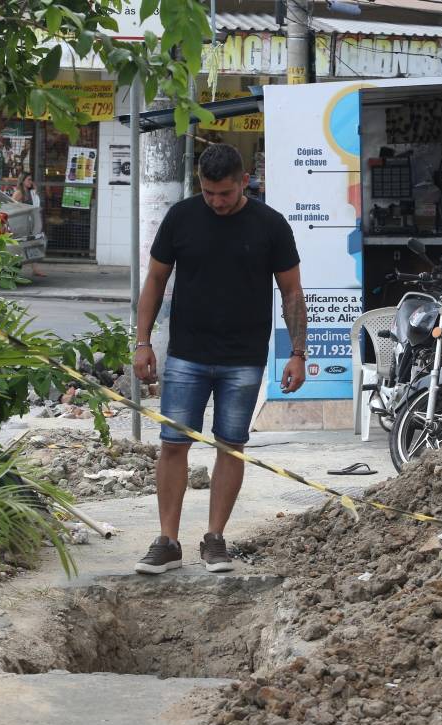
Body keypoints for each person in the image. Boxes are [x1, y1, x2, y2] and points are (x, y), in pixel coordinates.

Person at [132, 144, 308, 575]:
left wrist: (298, 353)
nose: (216, 202)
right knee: (173, 445)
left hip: (244, 358)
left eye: (225, 193)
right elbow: (156, 279)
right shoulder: (181, 218)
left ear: (243, 181)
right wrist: (142, 342)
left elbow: (292, 293)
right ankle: (168, 541)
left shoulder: (271, 225)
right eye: (209, 193)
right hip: (187, 355)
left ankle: (214, 540)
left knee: (231, 444)